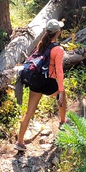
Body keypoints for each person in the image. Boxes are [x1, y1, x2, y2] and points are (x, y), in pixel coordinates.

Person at [15, 19, 66, 152]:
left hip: (36, 82)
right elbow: (59, 72)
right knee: (62, 94)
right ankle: (63, 121)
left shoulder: (41, 44)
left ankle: (20, 142)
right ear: (58, 32)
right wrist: (60, 91)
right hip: (48, 83)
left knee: (29, 112)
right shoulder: (58, 49)